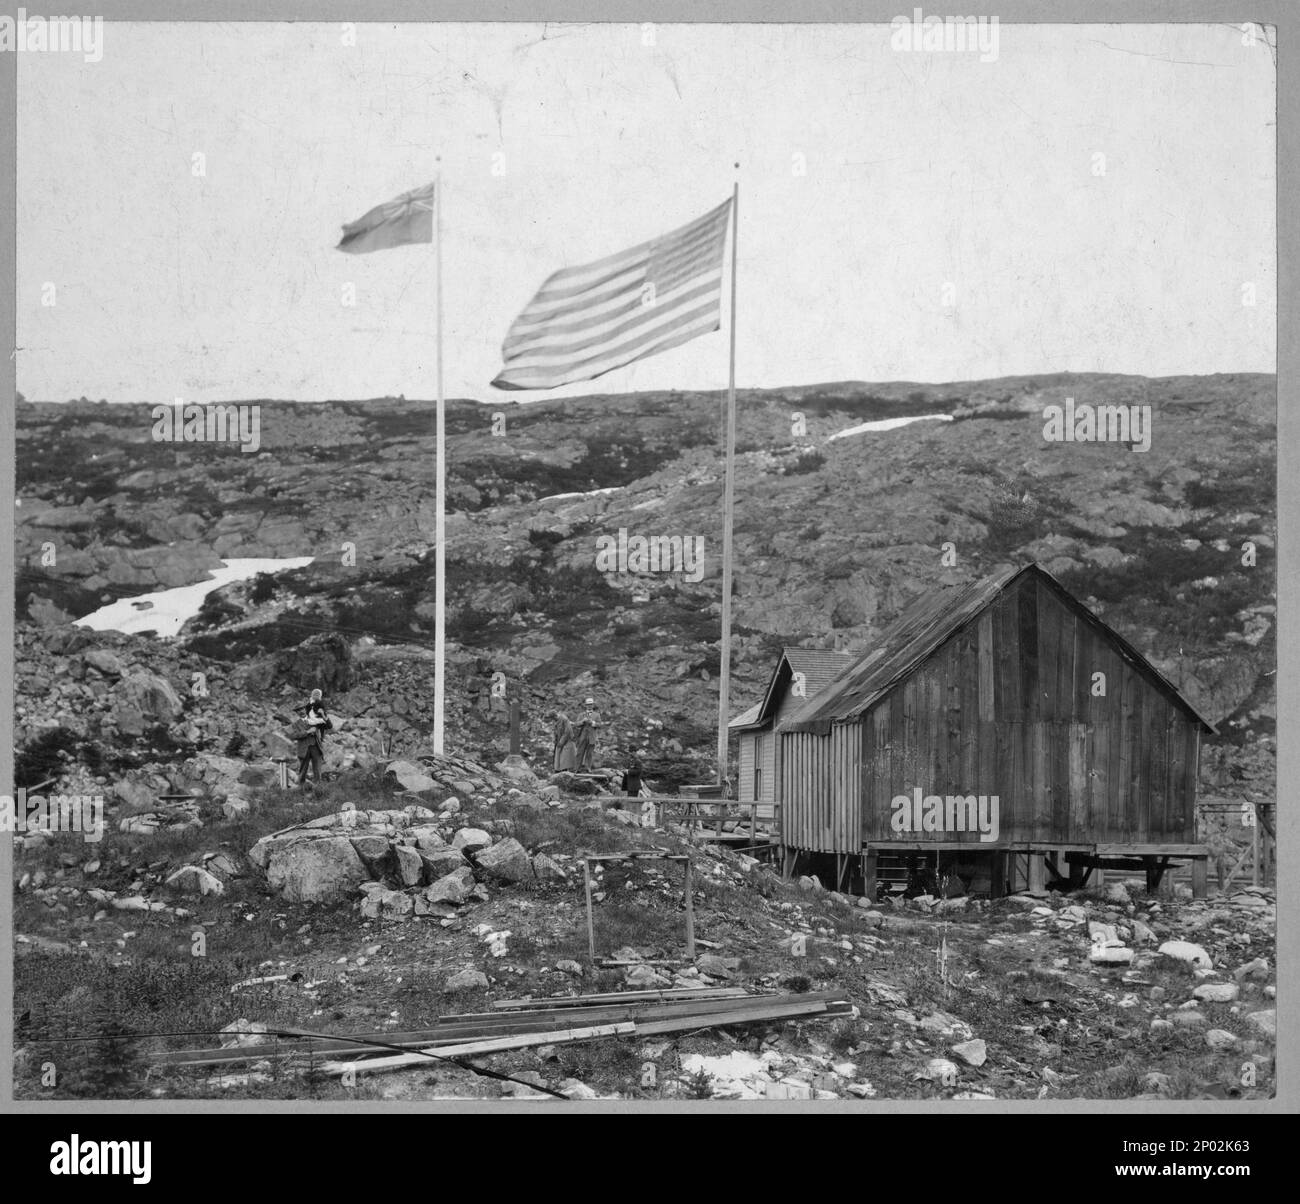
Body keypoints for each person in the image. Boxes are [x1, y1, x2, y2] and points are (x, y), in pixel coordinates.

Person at [296, 688, 333, 788]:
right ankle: (301, 786)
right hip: (304, 747)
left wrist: (323, 714)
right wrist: (307, 732)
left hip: (316, 745)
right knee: (303, 769)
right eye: (300, 710)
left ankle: (318, 788)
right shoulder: (298, 723)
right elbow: (294, 735)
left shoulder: (318, 717)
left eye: (303, 709)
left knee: (317, 768)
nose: (302, 711)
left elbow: (329, 726)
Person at [574, 698, 600, 772]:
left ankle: (588, 767)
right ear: (585, 705)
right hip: (583, 736)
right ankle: (577, 768)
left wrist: (593, 723)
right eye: (588, 704)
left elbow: (600, 725)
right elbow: (576, 724)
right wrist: (582, 721)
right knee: (580, 752)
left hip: (592, 737)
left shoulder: (597, 715)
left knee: (590, 753)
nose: (589, 706)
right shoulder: (581, 715)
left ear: (593, 705)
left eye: (591, 704)